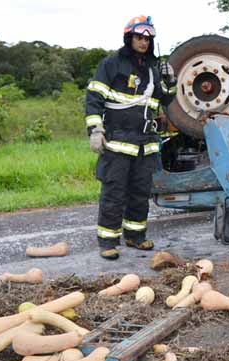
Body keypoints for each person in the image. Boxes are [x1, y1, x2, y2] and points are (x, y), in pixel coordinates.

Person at [85, 15, 175, 260]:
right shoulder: (112, 64)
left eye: (147, 38)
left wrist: (170, 80)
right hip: (117, 143)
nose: (144, 42)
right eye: (139, 37)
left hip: (145, 145)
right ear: (129, 38)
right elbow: (94, 98)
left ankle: (135, 236)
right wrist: (95, 130)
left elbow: (165, 99)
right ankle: (108, 241)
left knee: (139, 192)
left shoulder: (153, 71)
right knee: (114, 193)